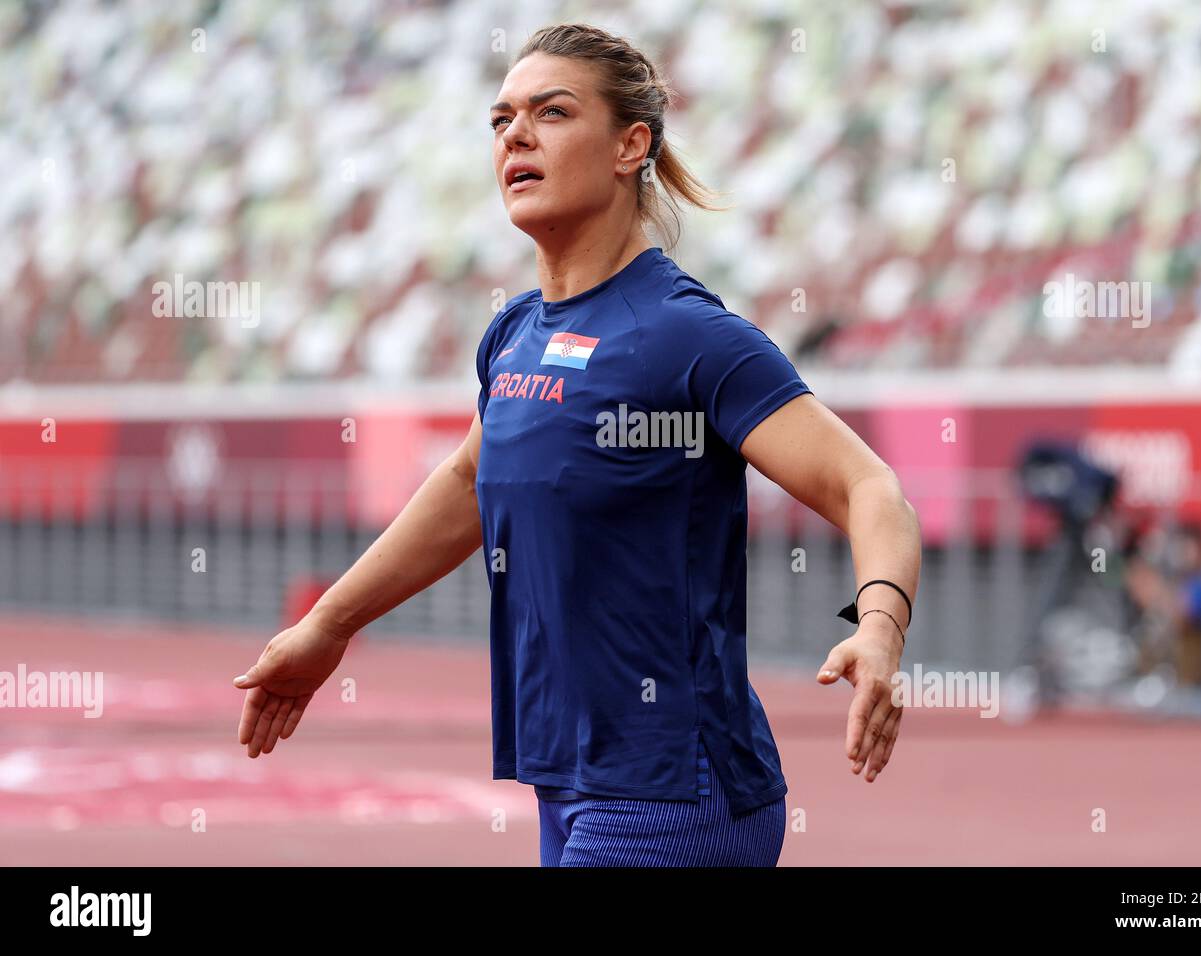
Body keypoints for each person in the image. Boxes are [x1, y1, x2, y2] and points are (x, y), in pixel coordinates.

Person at [233, 23, 921, 867]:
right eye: (501, 120)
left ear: (633, 144)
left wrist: (878, 630)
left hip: (678, 793)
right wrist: (329, 625)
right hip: (567, 786)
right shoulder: (514, 335)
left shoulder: (685, 334)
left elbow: (870, 486)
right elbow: (465, 484)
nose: (515, 135)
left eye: (551, 113)